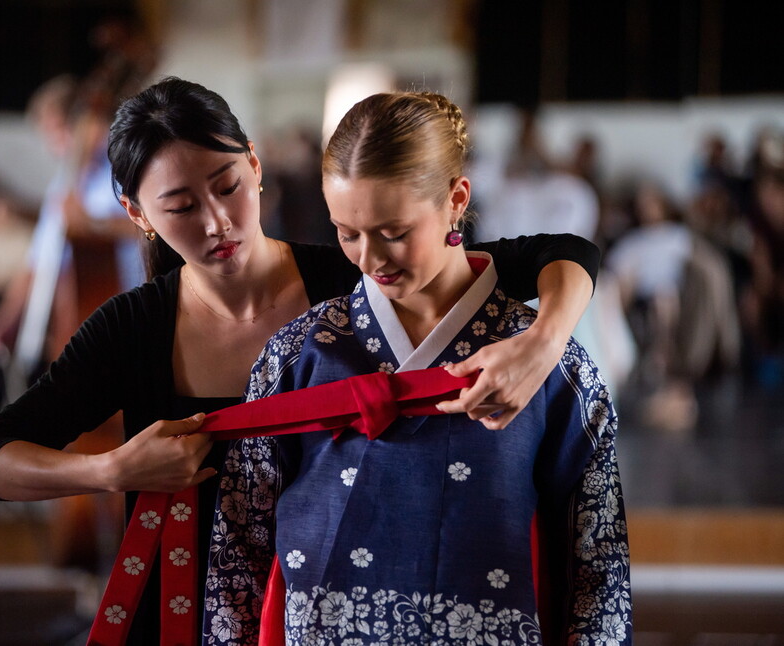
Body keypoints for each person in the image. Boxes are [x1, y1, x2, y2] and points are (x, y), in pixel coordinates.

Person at [0, 78, 602, 644]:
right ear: (136, 213)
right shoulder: (134, 327)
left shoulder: (354, 279)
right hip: (184, 603)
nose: (216, 222)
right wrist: (111, 469)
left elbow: (556, 251)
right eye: (181, 207)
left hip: (328, 606)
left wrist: (542, 346)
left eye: (228, 186)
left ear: (256, 166)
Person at [205, 91, 631, 644]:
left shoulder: (550, 366)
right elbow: (238, 550)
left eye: (394, 233)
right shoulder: (300, 353)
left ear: (456, 199)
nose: (370, 259)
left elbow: (599, 568)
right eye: (347, 233)